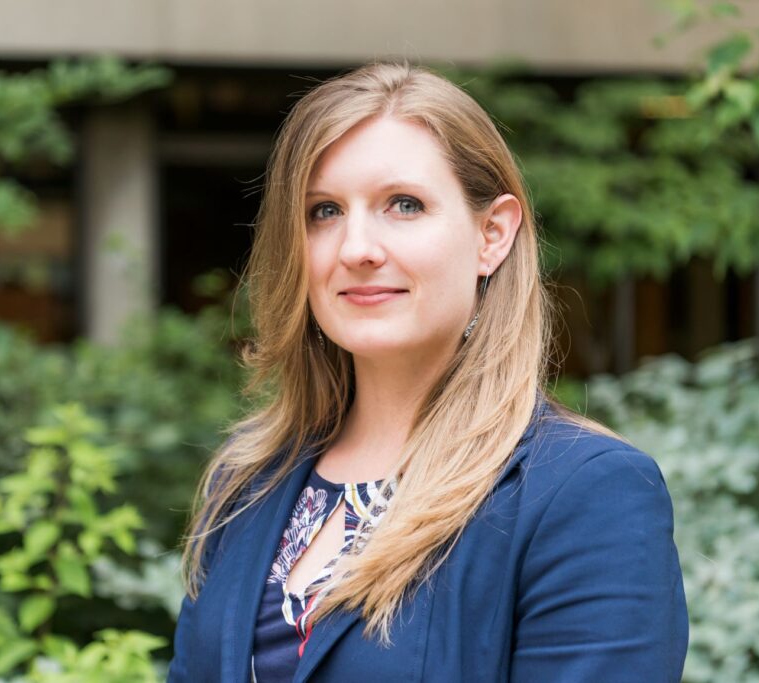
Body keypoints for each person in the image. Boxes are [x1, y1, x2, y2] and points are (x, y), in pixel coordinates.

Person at [167, 61, 688, 683]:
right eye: (324, 211)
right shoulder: (247, 480)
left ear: (491, 234)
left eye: (403, 205)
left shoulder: (584, 495)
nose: (357, 247)